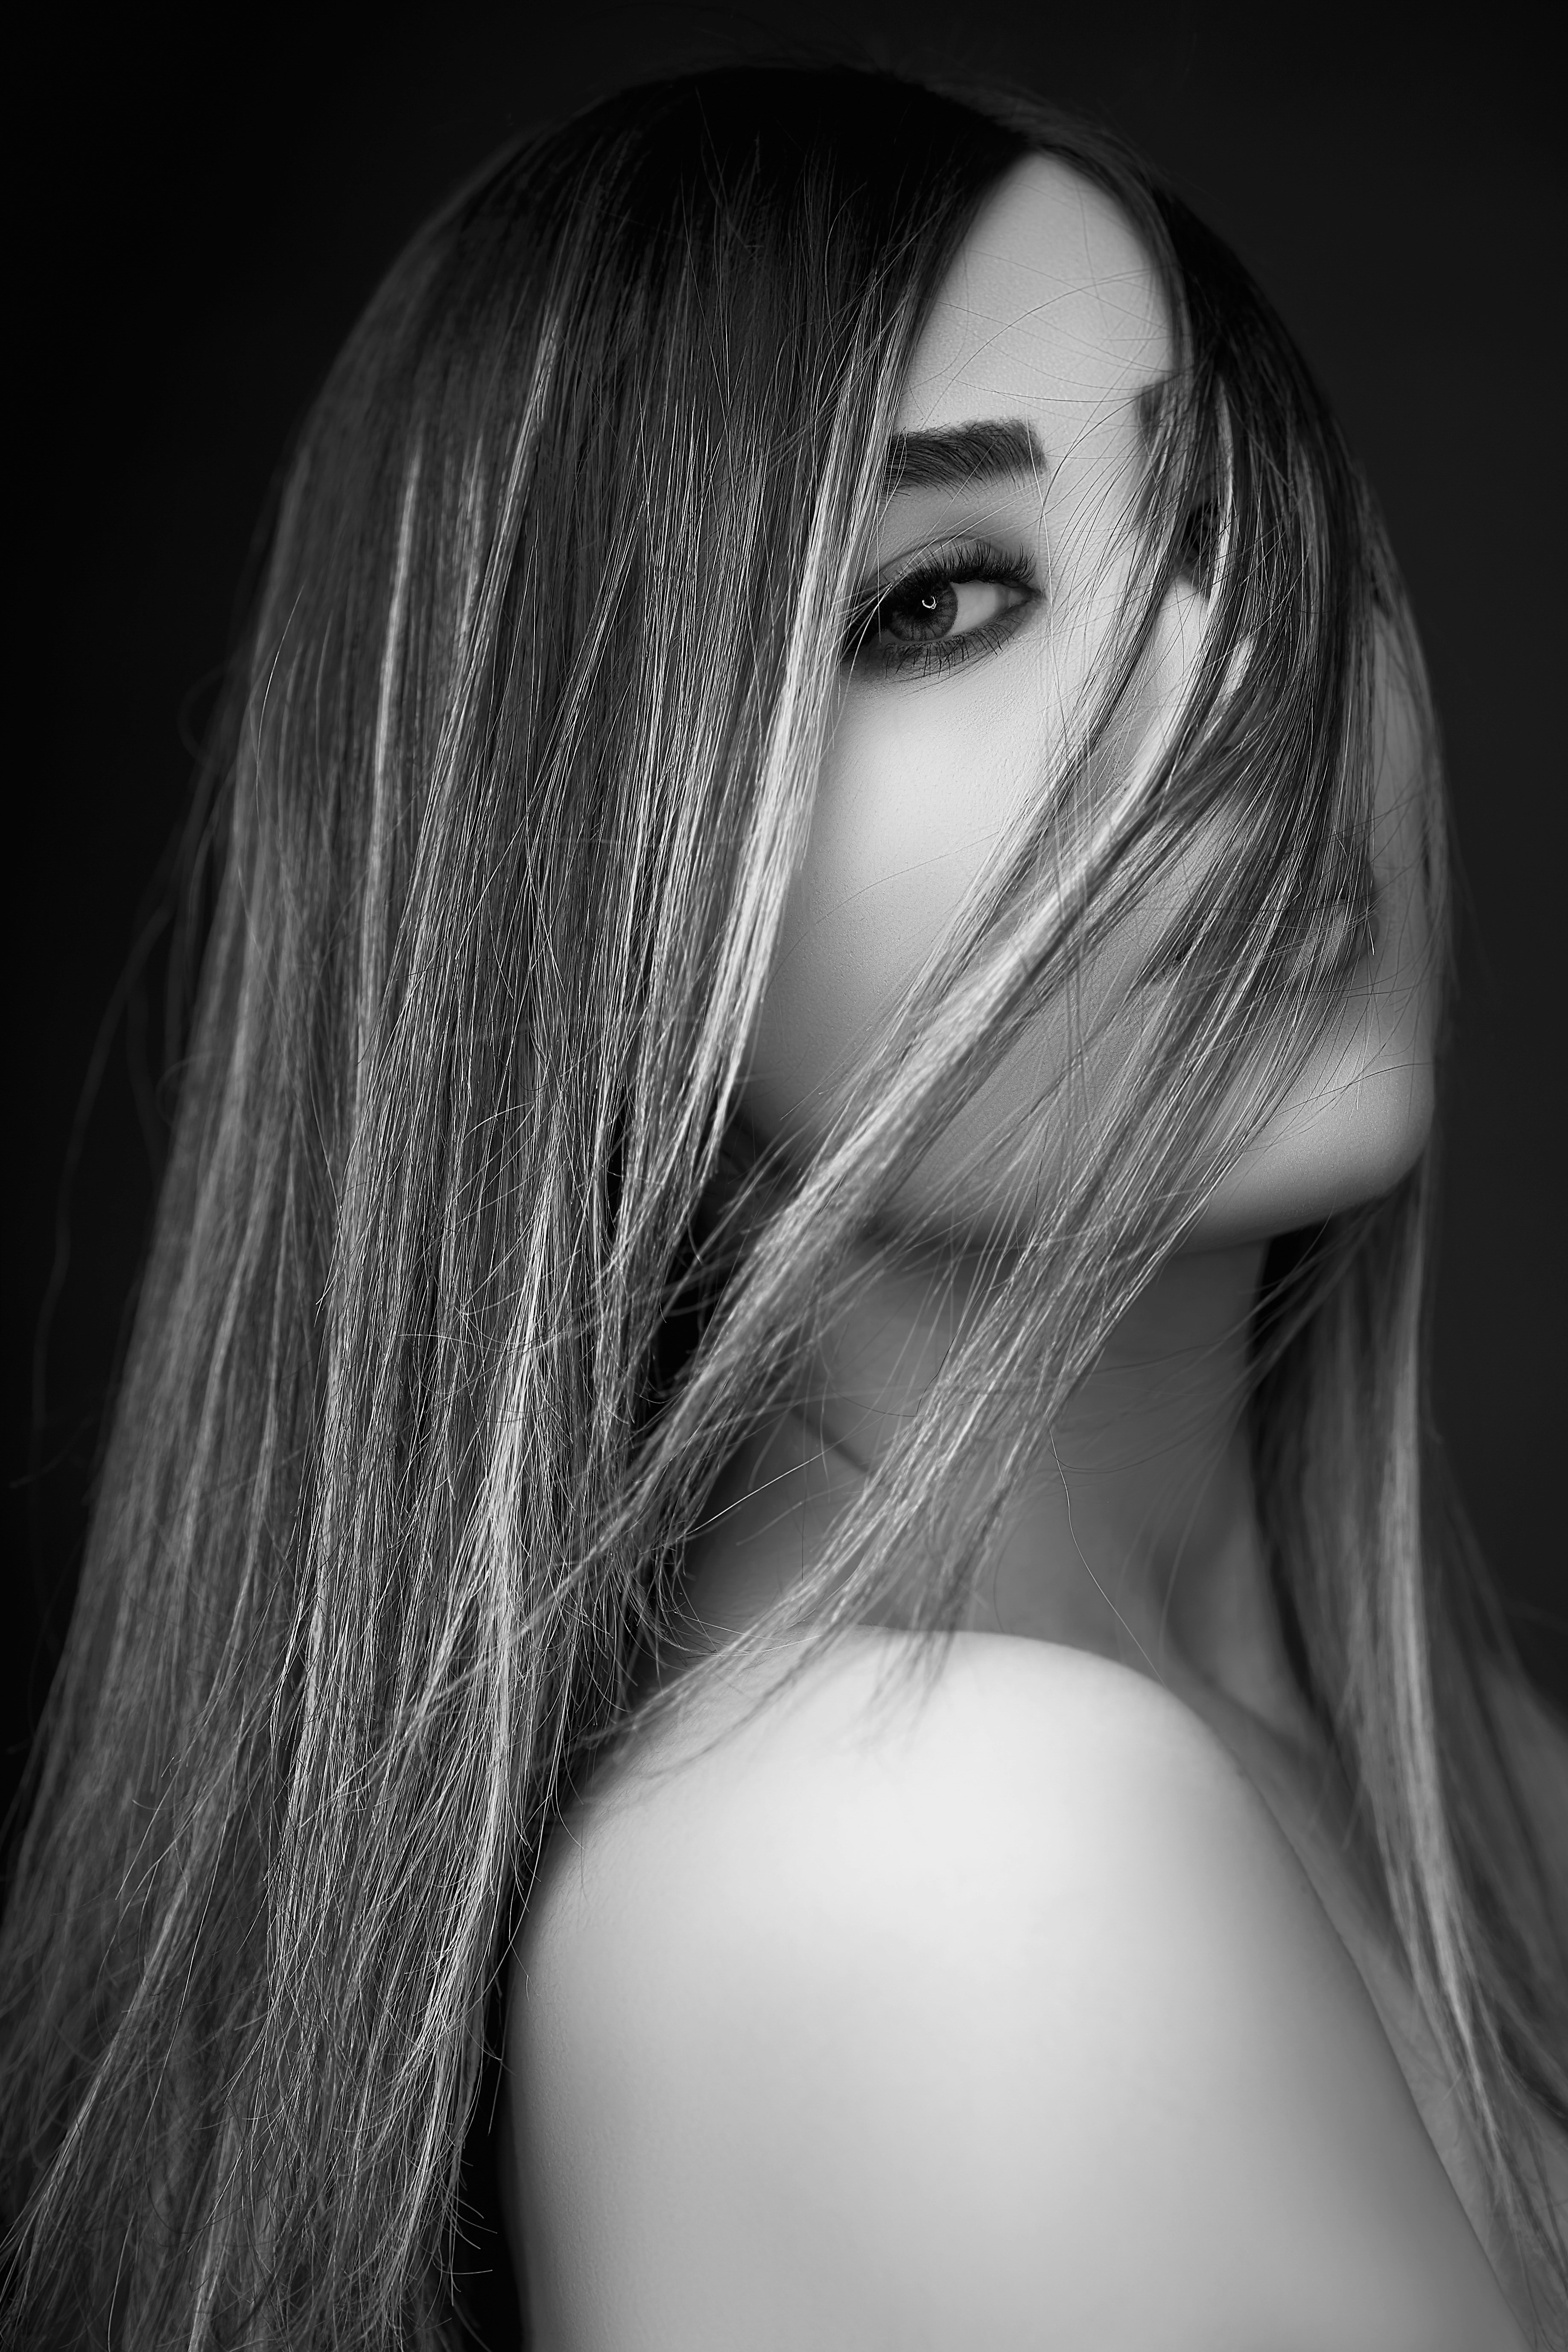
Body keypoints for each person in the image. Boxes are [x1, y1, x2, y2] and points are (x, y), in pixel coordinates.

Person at [1, 56, 1563, 2351]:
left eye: (1250, 525)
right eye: (939, 601)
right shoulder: (932, 1869)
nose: (1244, 677)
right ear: (576, 884)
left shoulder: (1474, 1787)